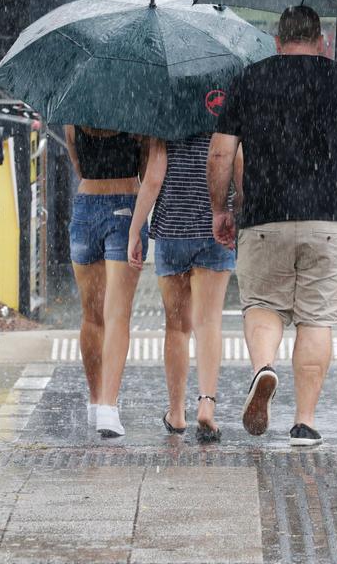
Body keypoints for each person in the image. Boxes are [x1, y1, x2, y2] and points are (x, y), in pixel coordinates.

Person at [207, 5, 337, 447]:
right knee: (316, 320)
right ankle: (304, 422)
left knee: (264, 306)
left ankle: (264, 368)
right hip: (329, 220)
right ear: (321, 39)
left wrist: (220, 208)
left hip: (265, 218)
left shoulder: (250, 78)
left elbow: (220, 154)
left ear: (277, 40)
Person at [127, 134, 237, 443]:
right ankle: (206, 403)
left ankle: (176, 413)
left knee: (176, 328)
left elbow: (154, 177)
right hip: (216, 228)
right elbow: (234, 163)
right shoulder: (222, 109)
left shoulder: (167, 109)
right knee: (209, 322)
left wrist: (135, 230)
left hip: (171, 230)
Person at [65, 126, 148, 438]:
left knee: (91, 314)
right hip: (126, 206)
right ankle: (108, 409)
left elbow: (77, 164)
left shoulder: (74, 112)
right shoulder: (136, 109)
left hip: (85, 205)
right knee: (118, 314)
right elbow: (145, 168)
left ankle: (96, 397)